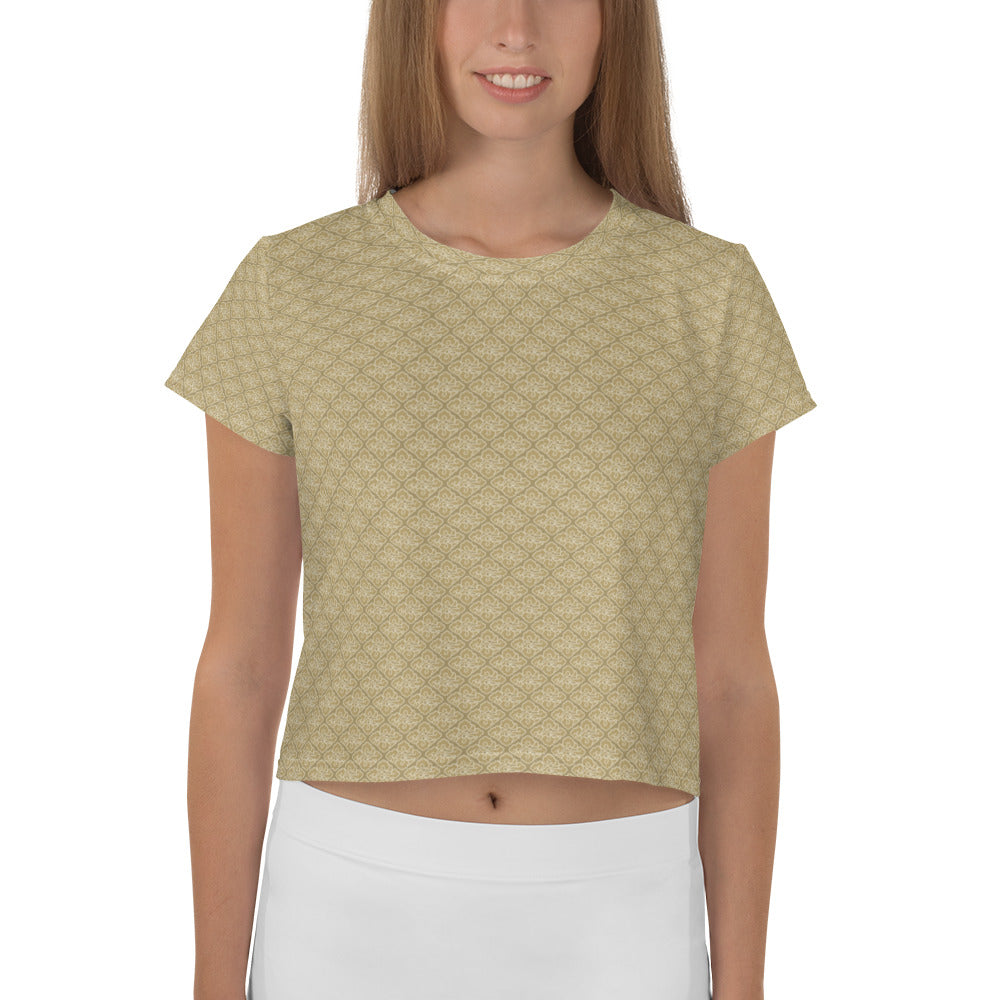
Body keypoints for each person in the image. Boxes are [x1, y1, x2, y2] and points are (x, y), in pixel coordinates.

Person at [164, 2, 818, 998]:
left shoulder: (705, 297)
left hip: (619, 913)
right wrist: (215, 984)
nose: (516, 28)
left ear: (614, 22)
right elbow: (241, 667)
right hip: (347, 906)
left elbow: (729, 677)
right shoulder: (293, 288)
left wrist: (744, 985)